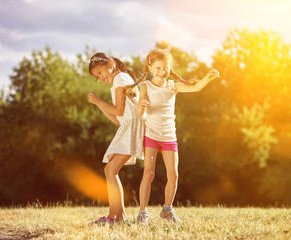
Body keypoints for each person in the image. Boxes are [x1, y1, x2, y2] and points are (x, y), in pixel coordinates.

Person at [126, 49, 219, 223]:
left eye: (166, 68)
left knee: (174, 175)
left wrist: (208, 77)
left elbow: (196, 88)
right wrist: (142, 105)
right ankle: (142, 213)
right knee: (149, 173)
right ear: (150, 67)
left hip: (169, 136)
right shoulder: (146, 86)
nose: (162, 72)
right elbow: (139, 112)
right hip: (151, 135)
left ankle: (167, 210)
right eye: (159, 68)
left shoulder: (172, 86)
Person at [88, 53, 145, 224]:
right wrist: (99, 105)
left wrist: (99, 102)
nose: (100, 77)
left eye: (100, 72)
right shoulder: (120, 80)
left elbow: (118, 111)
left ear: (110, 64)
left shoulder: (120, 78)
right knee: (110, 170)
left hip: (133, 126)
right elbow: (116, 119)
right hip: (128, 125)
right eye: (97, 76)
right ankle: (115, 215)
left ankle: (117, 217)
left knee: (110, 170)